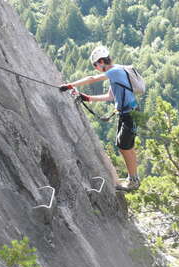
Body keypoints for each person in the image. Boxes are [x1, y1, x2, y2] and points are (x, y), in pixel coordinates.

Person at [59, 45, 140, 191]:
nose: (95, 67)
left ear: (102, 61)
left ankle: (133, 180)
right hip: (127, 113)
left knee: (124, 146)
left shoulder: (114, 71)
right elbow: (110, 96)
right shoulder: (116, 73)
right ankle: (132, 178)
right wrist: (88, 98)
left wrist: (70, 85)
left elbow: (92, 79)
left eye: (95, 64)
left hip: (129, 114)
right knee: (125, 146)